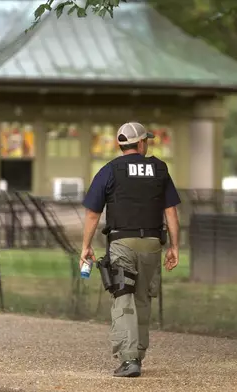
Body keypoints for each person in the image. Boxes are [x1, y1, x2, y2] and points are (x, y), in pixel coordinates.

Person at [79, 121, 181, 378]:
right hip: (152, 244)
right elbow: (171, 212)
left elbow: (92, 214)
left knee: (123, 297)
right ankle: (139, 354)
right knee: (143, 298)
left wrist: (86, 246)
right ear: (142, 143)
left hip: (122, 243)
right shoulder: (160, 169)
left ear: (121, 145)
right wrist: (174, 247)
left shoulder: (110, 170)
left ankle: (129, 359)